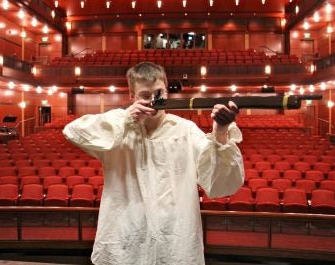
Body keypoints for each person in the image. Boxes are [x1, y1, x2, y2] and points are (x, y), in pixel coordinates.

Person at [63, 62, 244, 265]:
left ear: (166, 91)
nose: (153, 100)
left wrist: (220, 132)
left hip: (174, 239)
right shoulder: (119, 126)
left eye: (158, 93)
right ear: (132, 96)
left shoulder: (186, 130)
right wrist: (127, 119)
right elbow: (73, 131)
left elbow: (219, 181)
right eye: (145, 95)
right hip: (127, 238)